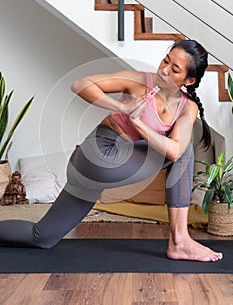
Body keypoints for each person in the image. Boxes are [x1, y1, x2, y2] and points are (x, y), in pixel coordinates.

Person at [0, 40, 223, 262]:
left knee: (42, 236)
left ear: (189, 80)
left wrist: (139, 126)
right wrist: (122, 107)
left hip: (92, 177)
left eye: (175, 69)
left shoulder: (187, 108)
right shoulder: (139, 81)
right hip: (97, 155)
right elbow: (79, 84)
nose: (164, 70)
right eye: (165, 60)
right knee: (182, 151)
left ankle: (180, 241)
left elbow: (175, 151)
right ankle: (179, 242)